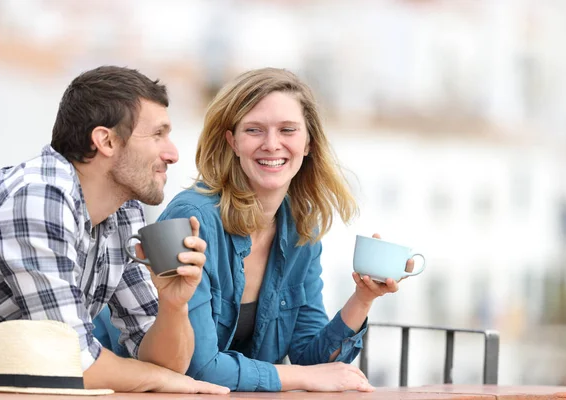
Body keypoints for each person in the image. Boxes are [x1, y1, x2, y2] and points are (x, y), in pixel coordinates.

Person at [156, 67, 414, 391]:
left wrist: (362, 298)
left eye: (288, 130)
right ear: (232, 141)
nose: (272, 144)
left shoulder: (300, 228)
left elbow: (312, 359)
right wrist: (301, 377)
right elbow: (197, 367)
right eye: (254, 130)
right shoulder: (188, 218)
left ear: (307, 143)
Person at [0, 66, 228, 394]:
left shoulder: (124, 213)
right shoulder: (38, 196)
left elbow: (166, 363)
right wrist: (162, 378)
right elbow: (70, 362)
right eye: (158, 135)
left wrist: (173, 304)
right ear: (106, 140)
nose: (172, 154)